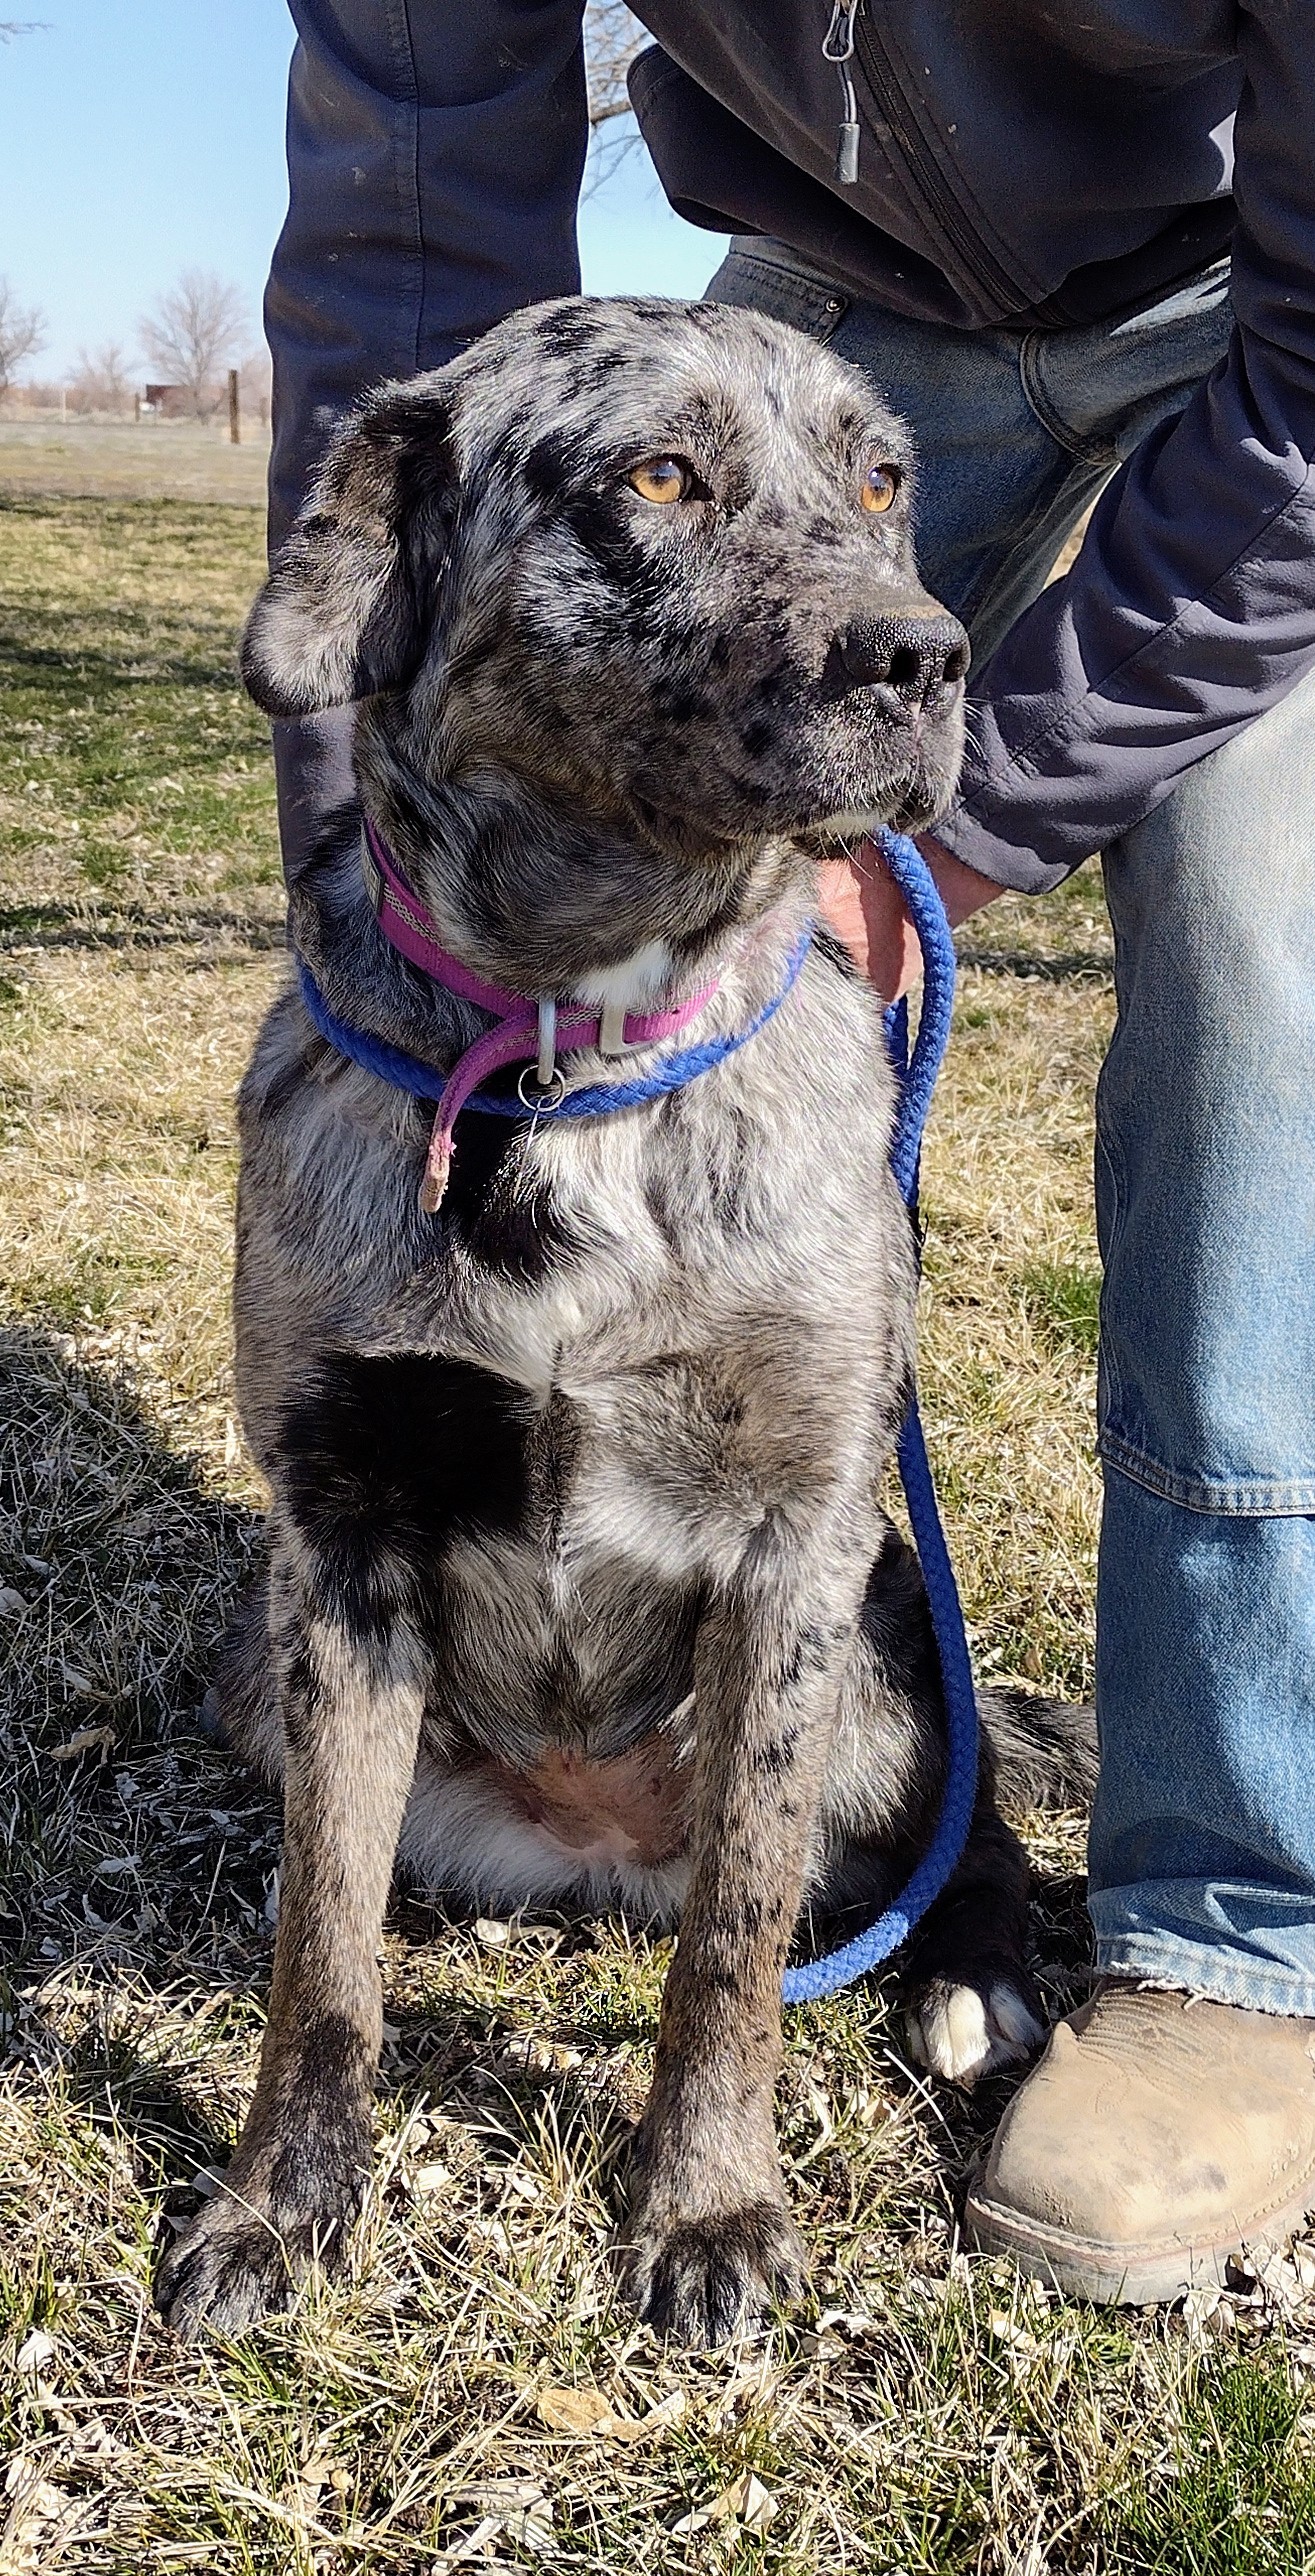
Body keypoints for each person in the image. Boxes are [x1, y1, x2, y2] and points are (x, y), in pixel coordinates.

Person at [262, 2, 1315, 2302]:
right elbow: (413, 243)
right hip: (827, 304)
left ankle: (1234, 1932)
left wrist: (956, 843)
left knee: (1273, 973)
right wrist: (379, 872)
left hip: (1252, 310)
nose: (894, 619)